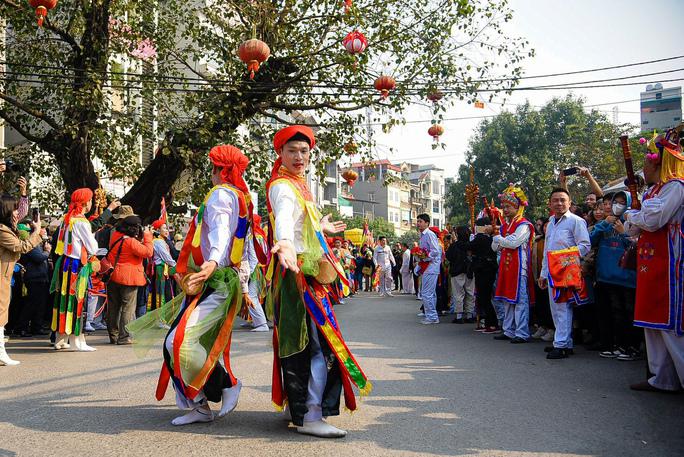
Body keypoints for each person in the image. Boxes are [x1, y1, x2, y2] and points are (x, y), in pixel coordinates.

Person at [129, 145, 255, 425]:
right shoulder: (241, 198)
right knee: (178, 342)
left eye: (212, 167)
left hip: (215, 279)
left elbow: (222, 233)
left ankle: (225, 385)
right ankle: (199, 405)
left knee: (177, 342)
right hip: (216, 279)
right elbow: (244, 249)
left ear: (219, 170)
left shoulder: (222, 194)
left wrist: (211, 262)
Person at [266, 125, 370, 438]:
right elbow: (283, 219)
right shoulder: (284, 186)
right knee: (317, 346)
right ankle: (310, 415)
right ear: (280, 154)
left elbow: (299, 226)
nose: (299, 156)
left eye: (304, 151)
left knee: (304, 344)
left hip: (302, 272)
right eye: (292, 151)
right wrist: (284, 241)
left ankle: (300, 408)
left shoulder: (299, 184)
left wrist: (319, 226)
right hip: (298, 274)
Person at [624, 128, 684, 393]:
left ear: (659, 162)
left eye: (647, 162)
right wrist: (633, 217)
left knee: (671, 324)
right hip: (649, 263)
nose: (644, 167)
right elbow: (634, 229)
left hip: (669, 263)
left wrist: (632, 216)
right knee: (652, 322)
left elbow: (652, 220)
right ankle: (662, 378)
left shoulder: (675, 188)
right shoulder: (652, 192)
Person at [539, 188, 591, 359]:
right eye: (555, 200)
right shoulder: (551, 223)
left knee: (562, 307)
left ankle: (561, 344)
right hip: (553, 272)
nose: (559, 203)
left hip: (566, 271)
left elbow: (584, 246)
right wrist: (543, 273)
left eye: (562, 200)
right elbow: (548, 250)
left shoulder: (576, 221)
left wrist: (565, 258)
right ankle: (564, 342)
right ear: (550, 204)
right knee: (556, 307)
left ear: (569, 203)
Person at [590, 191, 639, 360]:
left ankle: (631, 347)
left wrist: (624, 233)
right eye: (614, 202)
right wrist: (604, 223)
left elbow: (637, 247)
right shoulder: (605, 222)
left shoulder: (634, 221)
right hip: (606, 276)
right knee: (613, 313)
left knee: (628, 313)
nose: (616, 205)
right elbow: (589, 240)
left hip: (627, 278)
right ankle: (617, 345)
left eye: (620, 202)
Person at [50, 188, 100, 352]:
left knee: (63, 300)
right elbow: (93, 247)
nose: (92, 203)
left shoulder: (67, 219)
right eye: (91, 200)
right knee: (77, 300)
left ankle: (60, 338)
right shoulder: (82, 222)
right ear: (86, 202)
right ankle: (78, 340)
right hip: (77, 265)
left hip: (64, 263)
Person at [0, 195, 42, 365]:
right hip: (1, 277)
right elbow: (21, 247)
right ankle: (1, 353)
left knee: (2, 315)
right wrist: (37, 232)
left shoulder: (7, 228)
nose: (18, 212)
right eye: (15, 209)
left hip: (5, 276)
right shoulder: (2, 230)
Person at [490, 185, 535, 343]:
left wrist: (500, 240)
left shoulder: (524, 225)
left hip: (519, 269)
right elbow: (495, 247)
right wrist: (500, 241)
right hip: (505, 267)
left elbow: (514, 242)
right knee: (506, 299)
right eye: (504, 207)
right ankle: (508, 330)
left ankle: (522, 332)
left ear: (517, 207)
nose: (505, 209)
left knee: (520, 300)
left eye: (508, 206)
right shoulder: (504, 226)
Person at [106, 215, 153, 345]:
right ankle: (124, 337)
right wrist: (148, 236)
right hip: (129, 278)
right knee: (128, 308)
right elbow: (148, 252)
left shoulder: (115, 235)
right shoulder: (131, 242)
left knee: (113, 307)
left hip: (113, 275)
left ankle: (113, 335)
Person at [17, 234, 51, 337]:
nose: (44, 231)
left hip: (41, 277)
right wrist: (47, 251)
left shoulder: (39, 244)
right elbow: (39, 257)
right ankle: (22, 328)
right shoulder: (32, 244)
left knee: (40, 305)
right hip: (34, 278)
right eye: (42, 228)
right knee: (31, 304)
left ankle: (37, 327)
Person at [470, 217, 500, 333]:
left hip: (486, 270)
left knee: (485, 297)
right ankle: (488, 323)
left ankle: (492, 324)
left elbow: (469, 246)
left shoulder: (484, 238)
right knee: (483, 297)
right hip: (482, 269)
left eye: (478, 226)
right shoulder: (483, 237)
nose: (476, 228)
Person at [416, 213, 442, 324]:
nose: (418, 224)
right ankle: (431, 315)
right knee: (430, 293)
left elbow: (435, 251)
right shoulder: (423, 235)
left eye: (420, 221)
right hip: (427, 266)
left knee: (426, 293)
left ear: (427, 223)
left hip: (431, 267)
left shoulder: (430, 234)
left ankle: (432, 316)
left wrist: (425, 258)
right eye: (418, 221)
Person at [446, 226, 475, 324]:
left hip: (457, 272)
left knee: (458, 294)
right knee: (470, 293)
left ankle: (459, 316)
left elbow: (449, 256)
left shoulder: (454, 245)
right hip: (469, 272)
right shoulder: (471, 245)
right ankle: (469, 315)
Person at [148, 220, 177, 312]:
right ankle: (160, 317)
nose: (167, 231)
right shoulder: (158, 242)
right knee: (161, 293)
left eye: (167, 228)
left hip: (162, 269)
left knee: (162, 292)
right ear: (157, 230)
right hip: (160, 269)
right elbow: (167, 257)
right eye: (164, 228)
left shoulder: (160, 241)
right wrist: (177, 266)